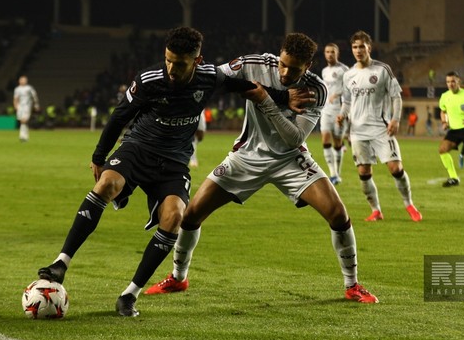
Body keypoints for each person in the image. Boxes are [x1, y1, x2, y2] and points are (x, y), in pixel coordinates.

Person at [35, 27, 308, 317]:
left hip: (175, 162)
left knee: (174, 217)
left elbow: (247, 87)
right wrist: (99, 157)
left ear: (197, 60)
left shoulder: (210, 77)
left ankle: (129, 295)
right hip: (139, 148)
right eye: (168, 60)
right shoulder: (149, 80)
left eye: (179, 63)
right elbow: (119, 117)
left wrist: (282, 98)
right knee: (107, 184)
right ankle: (61, 263)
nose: (171, 68)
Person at [145, 32, 379, 305]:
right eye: (282, 63)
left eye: (294, 68)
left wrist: (265, 100)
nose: (285, 72)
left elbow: (294, 138)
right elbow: (214, 78)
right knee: (192, 214)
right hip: (246, 156)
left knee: (338, 214)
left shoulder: (315, 89)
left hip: (289, 159)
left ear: (308, 66)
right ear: (277, 56)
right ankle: (178, 277)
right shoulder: (254, 64)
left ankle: (352, 285)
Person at [336, 31, 422, 223]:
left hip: (381, 128)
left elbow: (396, 96)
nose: (358, 50)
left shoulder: (382, 70)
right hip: (357, 132)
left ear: (369, 47)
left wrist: (396, 119)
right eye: (355, 47)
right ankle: (376, 210)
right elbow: (347, 101)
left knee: (396, 168)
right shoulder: (349, 75)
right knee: (364, 173)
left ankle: (409, 204)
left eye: (361, 46)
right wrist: (342, 114)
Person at [319, 42, 349, 185]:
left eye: (332, 52)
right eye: (327, 51)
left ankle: (338, 172)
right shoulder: (324, 71)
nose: (330, 54)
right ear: (324, 54)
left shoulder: (344, 70)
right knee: (325, 139)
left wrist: (337, 94)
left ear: (337, 53)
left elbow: (350, 89)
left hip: (339, 111)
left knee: (337, 142)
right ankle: (333, 174)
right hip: (326, 110)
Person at [14, 75, 40, 142]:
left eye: (24, 80)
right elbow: (16, 98)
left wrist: (36, 105)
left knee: (24, 120)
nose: (23, 81)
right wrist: (16, 106)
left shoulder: (29, 88)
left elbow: (34, 96)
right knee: (22, 121)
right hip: (20, 106)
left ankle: (22, 136)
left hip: (27, 106)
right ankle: (24, 136)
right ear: (19, 81)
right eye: (21, 80)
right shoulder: (17, 89)